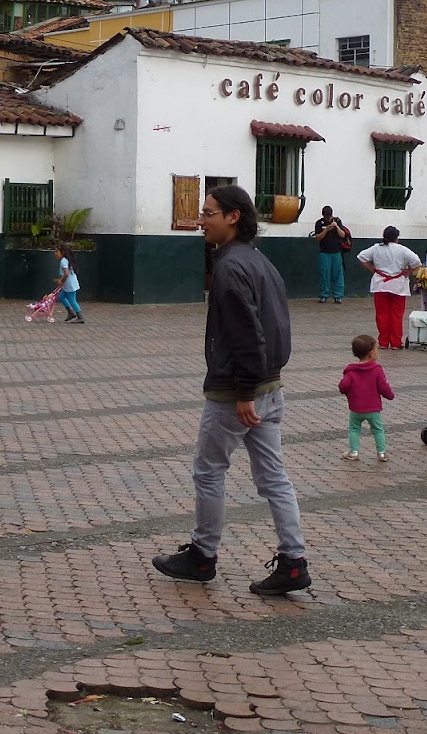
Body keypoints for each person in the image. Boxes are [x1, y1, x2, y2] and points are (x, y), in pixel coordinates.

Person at [151, 184, 310, 597]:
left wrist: (244, 393)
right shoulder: (259, 261)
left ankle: (203, 556)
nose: (201, 222)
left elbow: (246, 333)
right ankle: (293, 561)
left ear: (233, 217)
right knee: (273, 477)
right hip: (270, 386)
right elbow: (275, 326)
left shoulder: (230, 267)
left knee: (208, 471)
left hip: (237, 392)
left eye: (208, 214)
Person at [356, 227, 421, 351]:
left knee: (382, 315)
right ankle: (396, 343)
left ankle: (383, 342)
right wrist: (408, 271)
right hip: (398, 285)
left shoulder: (376, 248)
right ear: (396, 238)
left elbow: (361, 257)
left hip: (380, 284)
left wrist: (372, 269)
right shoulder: (402, 249)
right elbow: (417, 262)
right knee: (397, 315)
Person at [339, 333, 394, 462]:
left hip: (356, 408)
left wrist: (344, 389)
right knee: (378, 430)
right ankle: (381, 453)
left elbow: (344, 386)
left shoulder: (351, 371)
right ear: (371, 353)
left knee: (354, 429)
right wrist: (390, 395)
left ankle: (354, 452)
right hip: (373, 408)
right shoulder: (377, 369)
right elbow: (383, 386)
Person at [309, 206, 350, 304]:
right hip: (324, 252)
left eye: (330, 216)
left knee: (338, 274)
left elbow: (343, 235)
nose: (329, 219)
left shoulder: (337, 221)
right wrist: (326, 229)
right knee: (324, 273)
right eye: (327, 217)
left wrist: (336, 227)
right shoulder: (319, 223)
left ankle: (338, 295)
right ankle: (323, 295)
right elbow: (318, 237)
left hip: (336, 252)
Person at [55, 243, 85, 323]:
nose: (55, 253)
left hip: (70, 284)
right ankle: (71, 313)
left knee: (72, 300)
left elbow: (66, 273)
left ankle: (80, 317)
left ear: (63, 252)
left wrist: (61, 281)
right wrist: (61, 280)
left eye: (57, 251)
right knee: (61, 297)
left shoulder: (63, 261)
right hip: (69, 283)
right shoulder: (66, 260)